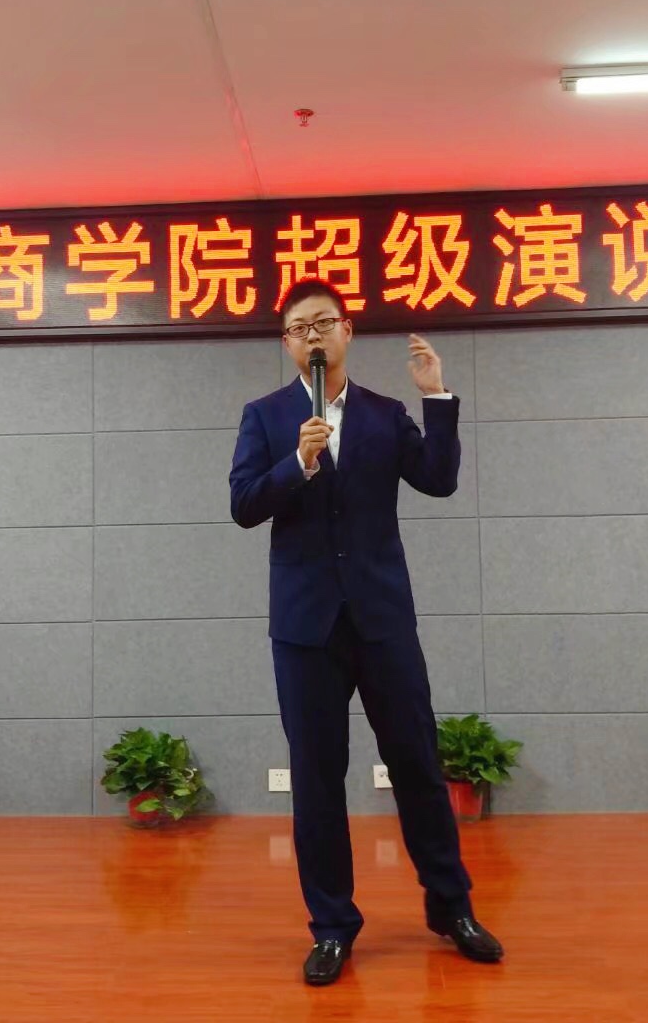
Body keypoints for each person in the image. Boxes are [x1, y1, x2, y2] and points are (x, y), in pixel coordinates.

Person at [229, 277, 504, 986]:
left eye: (324, 323)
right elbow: (244, 504)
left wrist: (436, 397)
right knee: (318, 779)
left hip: (382, 619)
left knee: (417, 764)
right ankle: (332, 927)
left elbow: (438, 480)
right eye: (300, 328)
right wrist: (298, 463)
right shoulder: (266, 417)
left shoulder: (386, 414)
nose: (313, 336)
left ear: (347, 331)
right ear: (287, 343)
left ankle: (452, 908)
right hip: (305, 630)